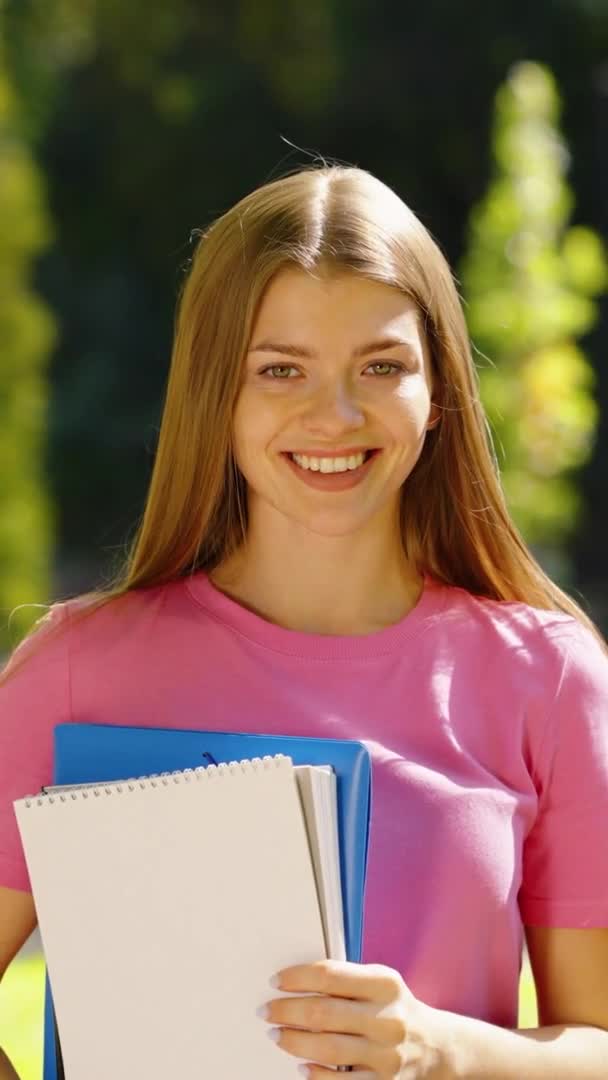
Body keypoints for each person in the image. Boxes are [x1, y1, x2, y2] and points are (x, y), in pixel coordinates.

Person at [1, 163, 607, 1080]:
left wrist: (442, 1049)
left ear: (438, 389)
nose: (336, 414)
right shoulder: (78, 670)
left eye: (383, 366)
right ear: (218, 393)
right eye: (281, 369)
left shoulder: (547, 678)